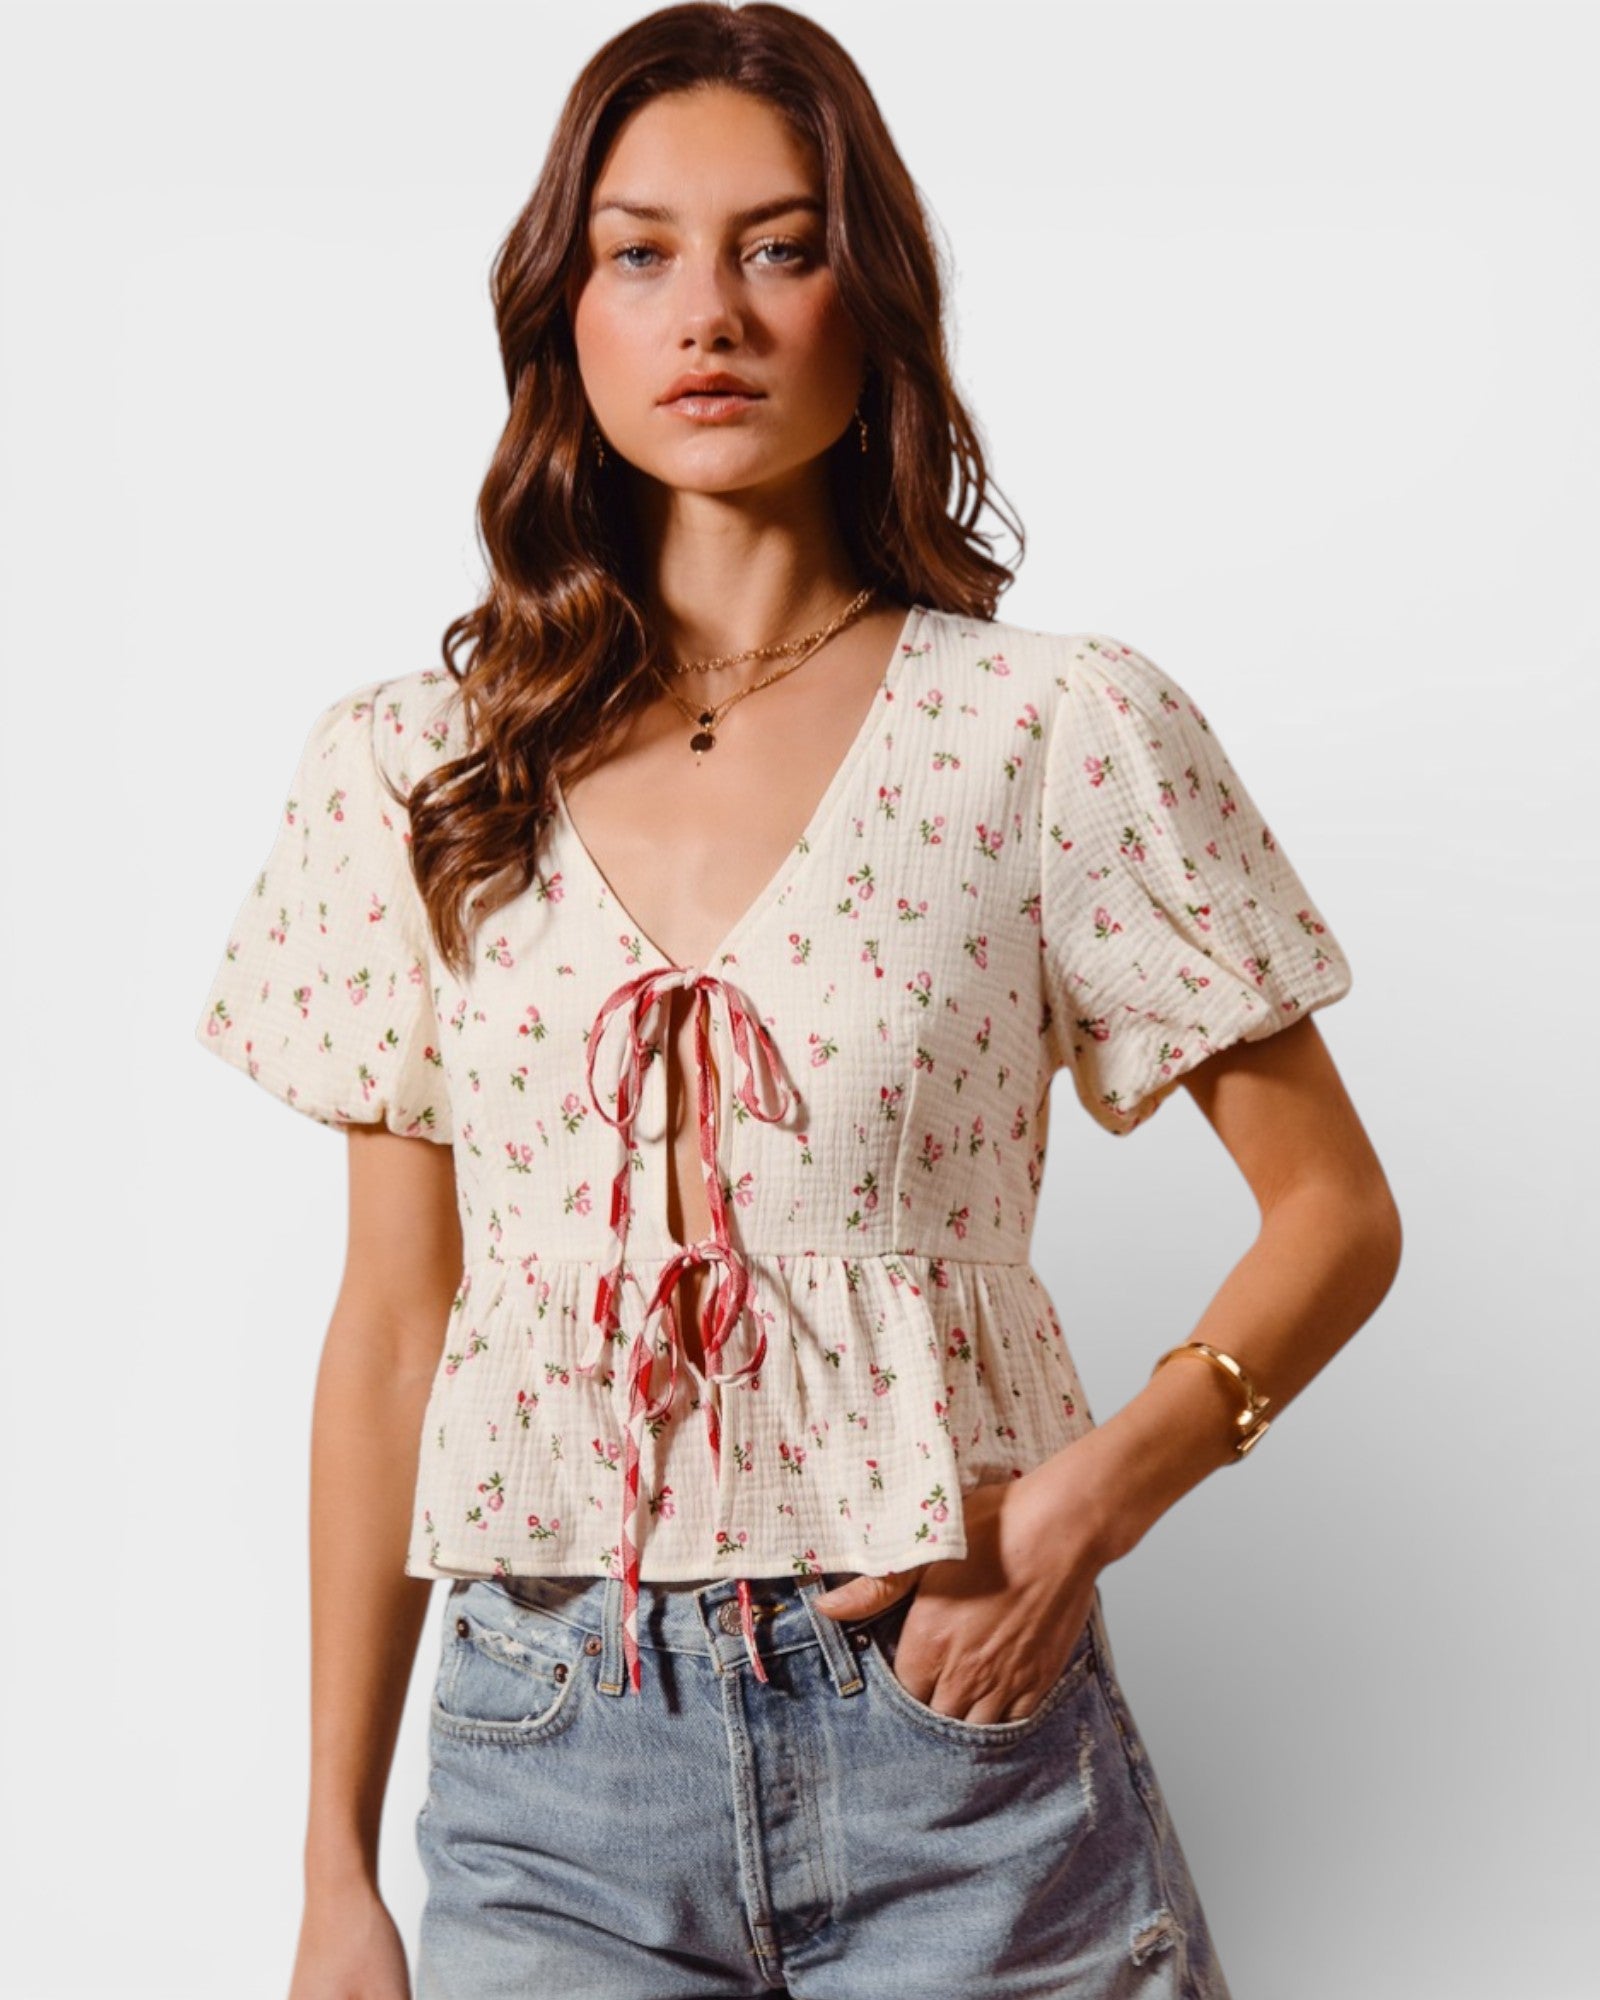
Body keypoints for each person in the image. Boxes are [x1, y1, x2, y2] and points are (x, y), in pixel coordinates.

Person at [192, 5, 1403, 1996]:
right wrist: (333, 1871)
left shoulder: (1049, 730)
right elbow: (394, 1326)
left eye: (779, 247)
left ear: (874, 297)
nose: (711, 316)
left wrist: (1085, 1508)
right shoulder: (415, 766)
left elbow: (1335, 1215)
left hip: (955, 1733)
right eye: (638, 253)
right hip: (546, 1757)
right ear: (563, 312)